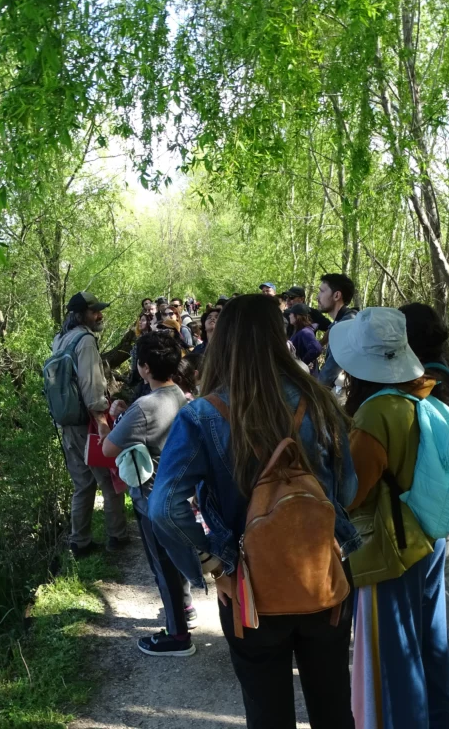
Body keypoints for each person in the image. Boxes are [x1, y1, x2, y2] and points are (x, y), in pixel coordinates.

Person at [149, 294, 361, 729]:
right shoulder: (320, 401)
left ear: (223, 342)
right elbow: (351, 489)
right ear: (277, 336)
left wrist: (213, 563)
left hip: (250, 588)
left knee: (267, 713)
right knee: (334, 706)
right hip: (323, 575)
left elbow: (165, 507)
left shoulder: (203, 415)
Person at [330, 307, 449, 729]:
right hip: (430, 537)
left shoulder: (375, 414)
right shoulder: (420, 393)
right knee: (431, 646)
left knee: (393, 661)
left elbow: (352, 494)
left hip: (392, 549)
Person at [102, 333, 196, 656]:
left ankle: (178, 636)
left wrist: (108, 421)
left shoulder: (144, 406)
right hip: (179, 493)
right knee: (174, 557)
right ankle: (185, 610)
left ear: (143, 367)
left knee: (162, 565)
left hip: (152, 498)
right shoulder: (179, 396)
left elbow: (108, 446)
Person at [400, 302, 449, 688]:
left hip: (431, 497)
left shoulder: (431, 378)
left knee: (442, 570)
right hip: (440, 495)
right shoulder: (442, 372)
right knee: (445, 569)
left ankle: (447, 655)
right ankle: (446, 649)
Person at [51, 292, 130, 558]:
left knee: (82, 484)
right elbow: (91, 385)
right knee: (109, 481)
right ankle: (117, 537)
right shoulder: (84, 341)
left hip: (68, 422)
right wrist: (101, 421)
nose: (100, 315)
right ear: (79, 314)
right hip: (88, 422)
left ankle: (79, 542)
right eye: (94, 311)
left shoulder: (60, 339)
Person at [317, 273, 358, 388]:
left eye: (322, 291)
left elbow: (329, 373)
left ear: (336, 296)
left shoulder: (346, 325)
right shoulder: (342, 321)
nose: (317, 297)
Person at [288, 304, 323, 374]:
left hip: (306, 377)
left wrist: (302, 364)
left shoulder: (305, 332)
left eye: (291, 314)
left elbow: (316, 349)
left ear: (297, 316)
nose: (289, 316)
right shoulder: (300, 331)